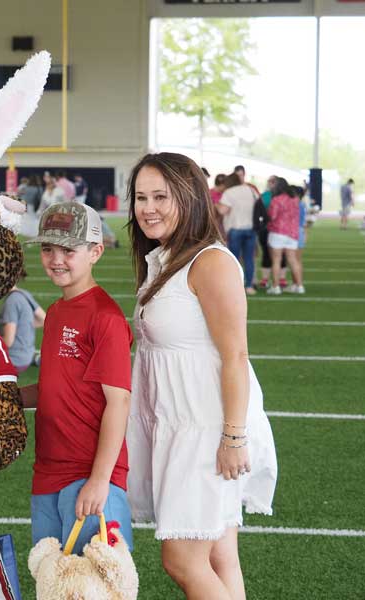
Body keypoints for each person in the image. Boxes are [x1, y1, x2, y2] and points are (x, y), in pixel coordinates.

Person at [126, 152, 277, 600]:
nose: (147, 208)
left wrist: (232, 438)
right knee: (218, 555)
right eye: (140, 197)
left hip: (207, 427)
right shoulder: (166, 259)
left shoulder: (210, 262)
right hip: (178, 421)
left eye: (160, 197)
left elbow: (236, 355)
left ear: (189, 198)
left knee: (183, 559)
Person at [20, 202, 135, 555]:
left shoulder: (106, 318)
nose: (56, 259)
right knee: (54, 578)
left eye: (68, 250)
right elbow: (53, 387)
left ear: (95, 252)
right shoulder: (55, 311)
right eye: (48, 249)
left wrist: (100, 480)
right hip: (48, 471)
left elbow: (119, 401)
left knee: (99, 583)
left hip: (89, 474)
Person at [0, 271, 45, 374]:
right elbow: (43, 319)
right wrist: (22, 327)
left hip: (15, 361)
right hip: (27, 354)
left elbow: (8, 342)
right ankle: (34, 359)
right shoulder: (23, 293)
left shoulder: (11, 302)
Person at [218, 173, 258, 295]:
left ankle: (235, 286)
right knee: (249, 258)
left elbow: (222, 210)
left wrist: (216, 205)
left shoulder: (229, 192)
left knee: (234, 260)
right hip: (251, 229)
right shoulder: (250, 190)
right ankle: (250, 286)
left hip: (235, 229)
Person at [266, 177, 305, 295]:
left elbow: (272, 216)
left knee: (276, 260)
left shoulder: (276, 200)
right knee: (293, 260)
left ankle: (275, 287)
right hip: (292, 233)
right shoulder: (295, 199)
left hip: (278, 232)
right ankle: (299, 286)